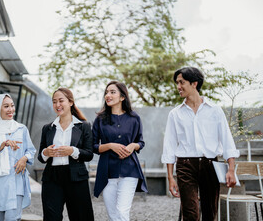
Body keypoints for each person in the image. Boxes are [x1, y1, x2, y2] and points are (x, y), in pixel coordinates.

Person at [161, 67, 240, 220]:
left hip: (210, 165)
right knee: (190, 214)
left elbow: (227, 140)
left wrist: (231, 169)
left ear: (194, 83)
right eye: (177, 83)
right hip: (185, 165)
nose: (178, 87)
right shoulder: (175, 114)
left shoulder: (215, 111)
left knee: (210, 213)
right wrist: (171, 177)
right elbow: (169, 146)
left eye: (181, 82)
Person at [92, 81, 148, 221]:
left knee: (122, 212)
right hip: (108, 171)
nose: (107, 95)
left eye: (112, 92)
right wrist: (110, 145)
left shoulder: (134, 118)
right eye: (106, 92)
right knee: (113, 215)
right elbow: (92, 146)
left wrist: (132, 146)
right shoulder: (100, 119)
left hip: (129, 170)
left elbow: (141, 142)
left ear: (122, 97)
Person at [38, 88, 94, 221]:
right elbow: (41, 157)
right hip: (52, 178)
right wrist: (46, 152)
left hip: (76, 178)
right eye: (54, 102)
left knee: (80, 217)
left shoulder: (84, 126)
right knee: (52, 217)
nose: (57, 105)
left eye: (61, 101)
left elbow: (89, 154)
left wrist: (72, 151)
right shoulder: (48, 128)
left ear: (70, 102)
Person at [0, 94, 36, 221]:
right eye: (6, 106)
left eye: (12, 105)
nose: (11, 109)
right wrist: (2, 145)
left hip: (16, 181)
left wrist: (24, 158)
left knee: (13, 218)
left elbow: (31, 150)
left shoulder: (21, 129)